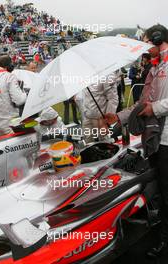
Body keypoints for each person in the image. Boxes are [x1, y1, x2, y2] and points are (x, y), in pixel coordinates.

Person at [101, 25, 168, 258]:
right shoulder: (153, 68)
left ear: (158, 39)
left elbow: (153, 106)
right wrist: (118, 116)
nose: (142, 47)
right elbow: (142, 104)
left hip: (166, 137)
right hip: (156, 138)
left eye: (146, 41)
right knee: (161, 189)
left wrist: (155, 108)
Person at [0, 55, 26, 136]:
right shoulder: (9, 76)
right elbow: (19, 100)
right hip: (11, 122)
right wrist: (24, 92)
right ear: (9, 66)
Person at [82, 74, 118, 143]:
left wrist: (106, 121)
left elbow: (113, 99)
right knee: (87, 142)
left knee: (105, 143)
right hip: (87, 117)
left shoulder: (106, 75)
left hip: (101, 119)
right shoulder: (83, 75)